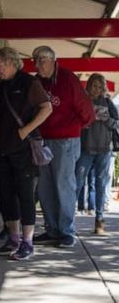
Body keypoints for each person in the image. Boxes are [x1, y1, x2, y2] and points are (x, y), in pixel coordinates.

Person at [0, 47, 52, 260]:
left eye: (0, 65)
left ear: (13, 62)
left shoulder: (29, 83)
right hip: (1, 149)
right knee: (6, 197)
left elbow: (47, 108)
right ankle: (13, 239)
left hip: (23, 151)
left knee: (25, 196)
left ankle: (28, 242)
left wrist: (25, 130)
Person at [32, 46, 95, 247]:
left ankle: (67, 231)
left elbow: (85, 109)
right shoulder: (36, 82)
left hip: (66, 140)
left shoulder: (67, 78)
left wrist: (74, 128)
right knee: (45, 187)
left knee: (64, 185)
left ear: (53, 60)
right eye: (36, 60)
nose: (38, 64)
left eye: (42, 59)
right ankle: (52, 229)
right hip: (43, 140)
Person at [75, 74, 119, 234]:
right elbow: (75, 122)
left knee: (101, 185)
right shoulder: (83, 102)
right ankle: (69, 220)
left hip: (104, 150)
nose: (97, 89)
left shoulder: (107, 102)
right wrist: (87, 119)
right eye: (94, 86)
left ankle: (99, 221)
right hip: (84, 149)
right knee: (77, 183)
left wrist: (106, 119)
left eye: (100, 87)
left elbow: (117, 123)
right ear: (88, 86)